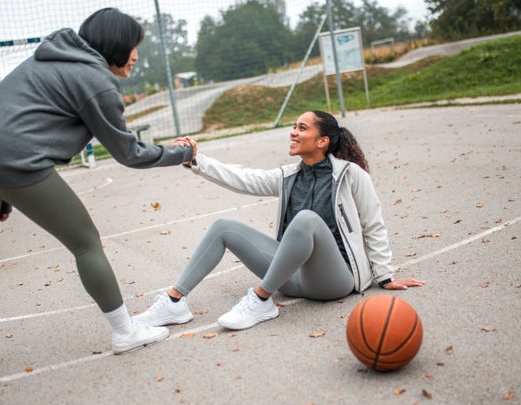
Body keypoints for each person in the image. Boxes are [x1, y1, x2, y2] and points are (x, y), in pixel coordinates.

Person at [0, 8, 194, 388]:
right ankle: (125, 332)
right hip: (14, 162)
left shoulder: (50, 56)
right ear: (116, 44)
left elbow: (16, 118)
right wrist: (182, 153)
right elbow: (128, 153)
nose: (136, 56)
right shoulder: (97, 81)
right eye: (133, 47)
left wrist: (1, 195)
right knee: (86, 243)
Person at [135, 110, 424, 330]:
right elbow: (243, 179)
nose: (293, 133)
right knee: (223, 227)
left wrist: (384, 276)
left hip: (334, 281)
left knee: (306, 220)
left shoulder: (351, 175)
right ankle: (174, 302)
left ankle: (260, 300)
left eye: (302, 128)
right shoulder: (287, 177)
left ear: (322, 141)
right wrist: (198, 160)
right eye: (294, 127)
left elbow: (373, 225)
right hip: (289, 279)